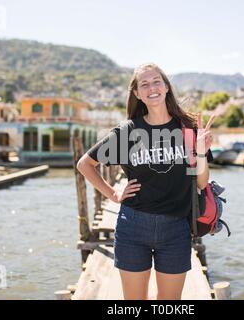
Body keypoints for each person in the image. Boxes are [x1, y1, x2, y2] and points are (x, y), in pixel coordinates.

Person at [77, 63, 215, 300]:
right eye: (144, 84)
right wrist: (114, 194)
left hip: (176, 228)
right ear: (137, 94)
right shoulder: (127, 132)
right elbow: (85, 164)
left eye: (156, 81)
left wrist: (200, 151)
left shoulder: (187, 129)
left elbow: (202, 183)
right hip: (133, 226)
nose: (152, 87)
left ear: (166, 87)